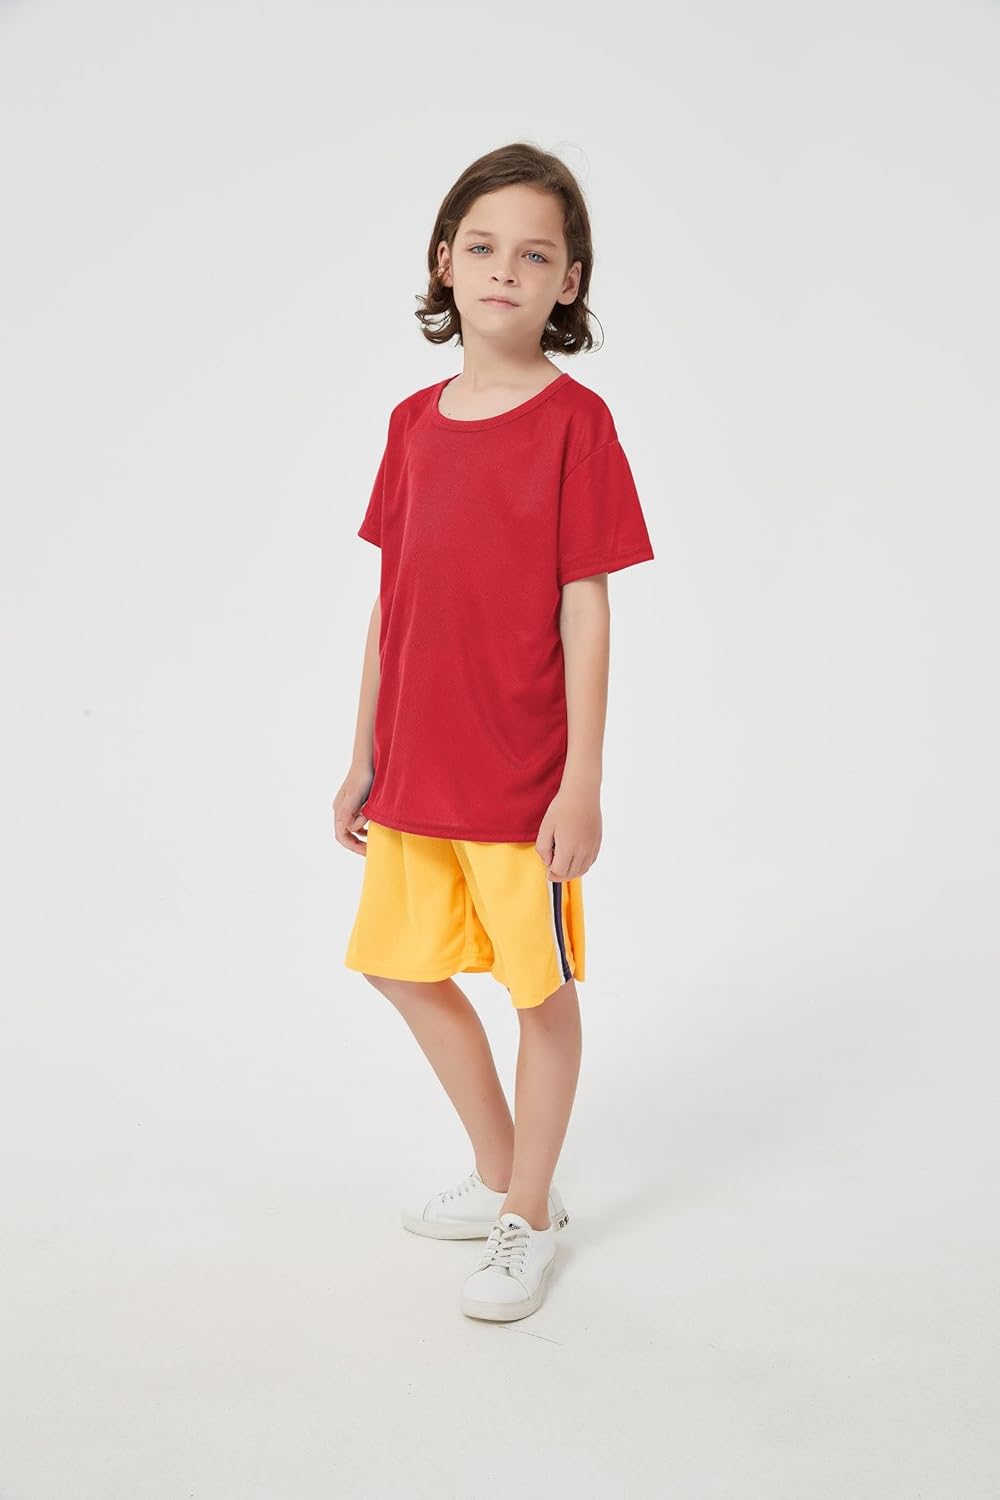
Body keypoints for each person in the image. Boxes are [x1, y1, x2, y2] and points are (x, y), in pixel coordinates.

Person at [332, 142, 655, 1323]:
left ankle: (530, 1216)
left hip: (522, 779)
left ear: (569, 280)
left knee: (537, 990)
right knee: (397, 964)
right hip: (417, 769)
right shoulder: (411, 424)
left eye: (533, 253)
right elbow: (392, 600)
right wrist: (361, 754)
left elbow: (587, 609)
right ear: (443, 263)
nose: (504, 269)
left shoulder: (577, 424)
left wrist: (582, 782)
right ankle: (503, 1173)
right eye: (481, 247)